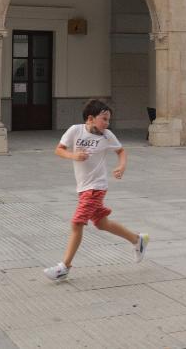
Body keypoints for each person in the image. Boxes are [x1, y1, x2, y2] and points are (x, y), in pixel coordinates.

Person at [44, 100, 148, 281]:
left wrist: (121, 166)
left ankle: (64, 267)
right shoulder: (75, 130)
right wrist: (73, 155)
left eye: (108, 120)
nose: (107, 124)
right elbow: (59, 150)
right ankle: (137, 240)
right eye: (104, 119)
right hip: (83, 187)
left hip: (96, 187)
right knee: (101, 223)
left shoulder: (107, 135)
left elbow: (121, 151)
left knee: (77, 223)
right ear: (90, 118)